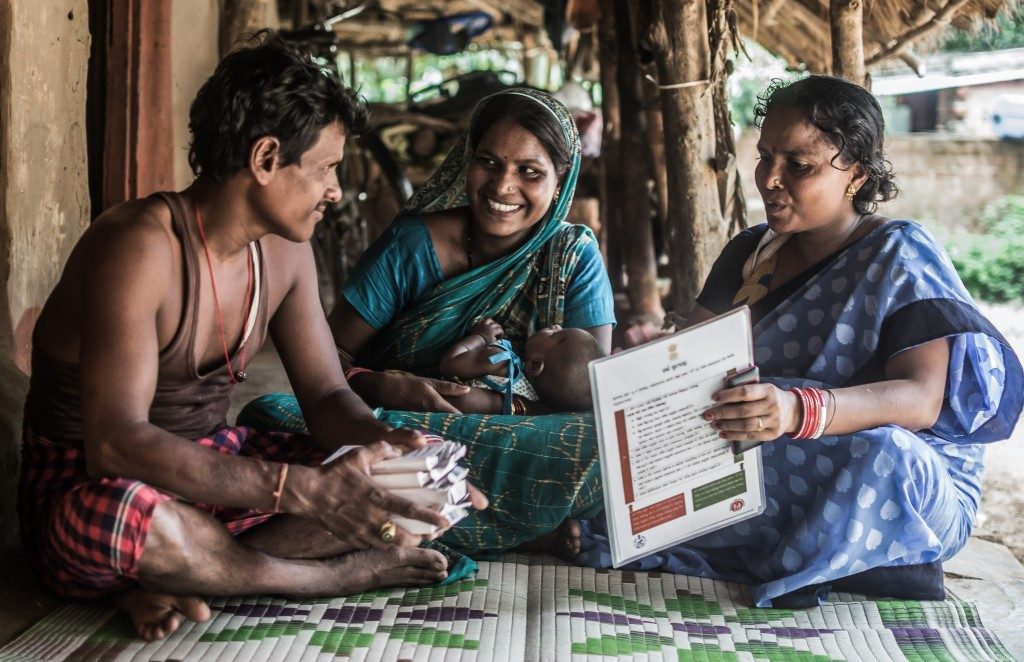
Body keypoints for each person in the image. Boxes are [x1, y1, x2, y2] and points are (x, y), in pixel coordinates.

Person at [18, 32, 485, 642]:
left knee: (422, 482)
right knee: (126, 519)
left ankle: (192, 574)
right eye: (326, 169)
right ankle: (317, 577)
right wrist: (305, 492)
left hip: (215, 475)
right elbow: (117, 446)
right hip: (95, 493)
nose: (336, 191)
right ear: (266, 159)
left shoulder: (286, 253)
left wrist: (386, 442)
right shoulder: (136, 247)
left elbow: (324, 397)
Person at [576, 75, 1024, 607]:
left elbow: (920, 400)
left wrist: (795, 410)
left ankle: (832, 552)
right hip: (781, 459)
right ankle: (833, 556)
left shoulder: (899, 254)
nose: (770, 178)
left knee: (886, 453)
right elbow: (692, 370)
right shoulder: (749, 253)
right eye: (765, 157)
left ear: (855, 173)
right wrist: (652, 360)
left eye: (800, 165)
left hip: (897, 481)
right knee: (638, 448)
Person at [240, 87, 615, 555]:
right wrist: (383, 387)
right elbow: (326, 363)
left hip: (519, 436)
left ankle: (426, 518)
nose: (502, 187)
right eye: (489, 162)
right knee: (270, 417)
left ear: (561, 181)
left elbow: (594, 396)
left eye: (530, 172)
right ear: (467, 159)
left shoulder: (573, 257)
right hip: (396, 426)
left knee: (603, 443)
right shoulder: (412, 245)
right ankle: (520, 521)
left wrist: (495, 409)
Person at [438, 319, 605, 413]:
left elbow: (449, 364)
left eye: (555, 334)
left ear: (534, 366)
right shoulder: (538, 404)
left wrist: (481, 336)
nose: (556, 326)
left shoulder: (501, 361)